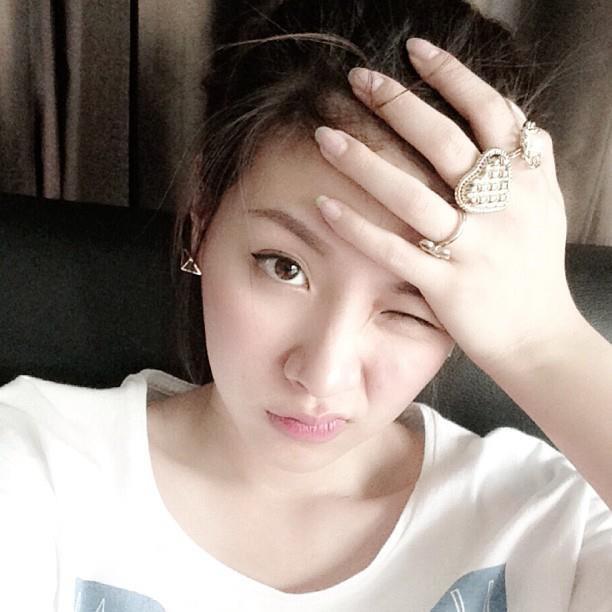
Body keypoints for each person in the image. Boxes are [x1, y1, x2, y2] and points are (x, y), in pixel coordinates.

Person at [2, 0, 611, 610]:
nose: (322, 375)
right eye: (283, 267)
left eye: (414, 306)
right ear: (202, 219)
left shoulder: (550, 522)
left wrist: (544, 343)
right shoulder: (36, 464)